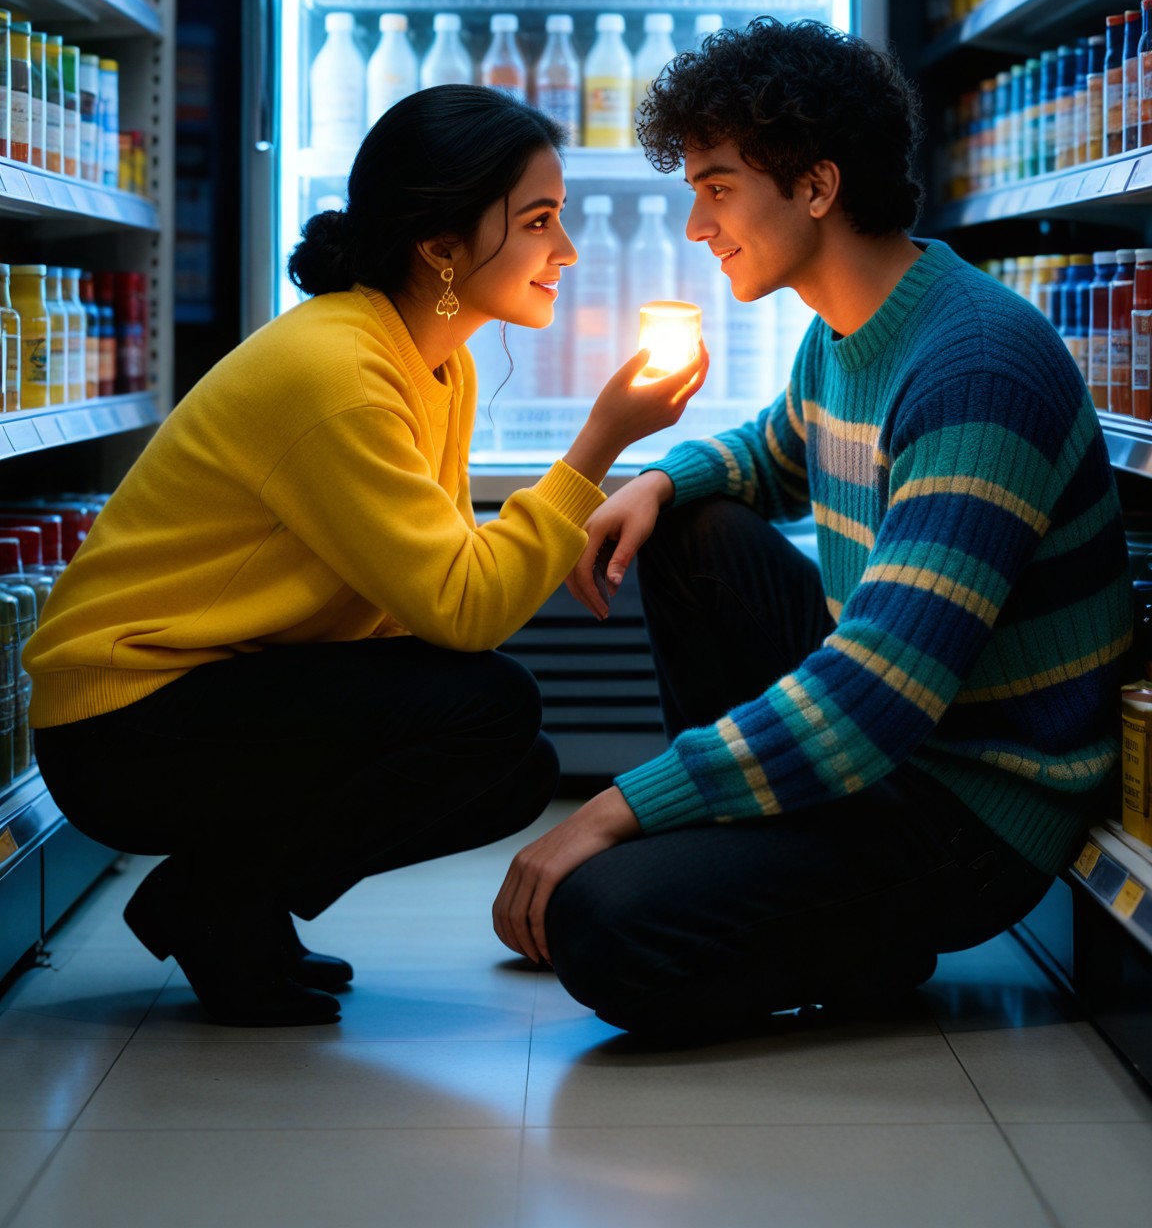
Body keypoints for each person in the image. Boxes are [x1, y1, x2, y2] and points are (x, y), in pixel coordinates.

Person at [492, 18, 1134, 1044]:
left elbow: (879, 688)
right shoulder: (846, 326)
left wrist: (617, 807)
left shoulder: (974, 367)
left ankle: (861, 935)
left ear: (818, 186)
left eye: (717, 184)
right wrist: (658, 476)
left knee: (600, 923)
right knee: (690, 524)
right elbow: (774, 449)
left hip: (970, 802)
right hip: (892, 749)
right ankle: (766, 863)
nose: (698, 223)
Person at [24, 85, 704, 1028]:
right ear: (441, 249)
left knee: (515, 761)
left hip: (220, 686)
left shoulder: (435, 357)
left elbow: (427, 587)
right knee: (491, 709)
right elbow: (462, 609)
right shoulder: (339, 374)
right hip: (122, 723)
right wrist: (598, 445)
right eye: (541, 221)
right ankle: (217, 904)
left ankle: (233, 902)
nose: (569, 252)